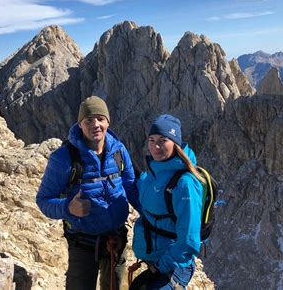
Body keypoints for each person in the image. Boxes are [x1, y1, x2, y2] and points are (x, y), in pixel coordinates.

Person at [36, 96, 140, 290]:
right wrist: (68, 207)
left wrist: (153, 219)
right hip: (82, 243)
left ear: (108, 121)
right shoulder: (64, 158)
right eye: (89, 120)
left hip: (115, 240)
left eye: (100, 118)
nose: (96, 125)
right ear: (80, 124)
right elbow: (43, 200)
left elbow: (131, 188)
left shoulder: (119, 151)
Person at [130, 114, 203, 289]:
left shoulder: (185, 184)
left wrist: (161, 266)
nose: (156, 146)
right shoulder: (151, 175)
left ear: (175, 143)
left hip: (175, 264)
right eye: (152, 140)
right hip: (156, 261)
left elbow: (189, 241)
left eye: (163, 140)